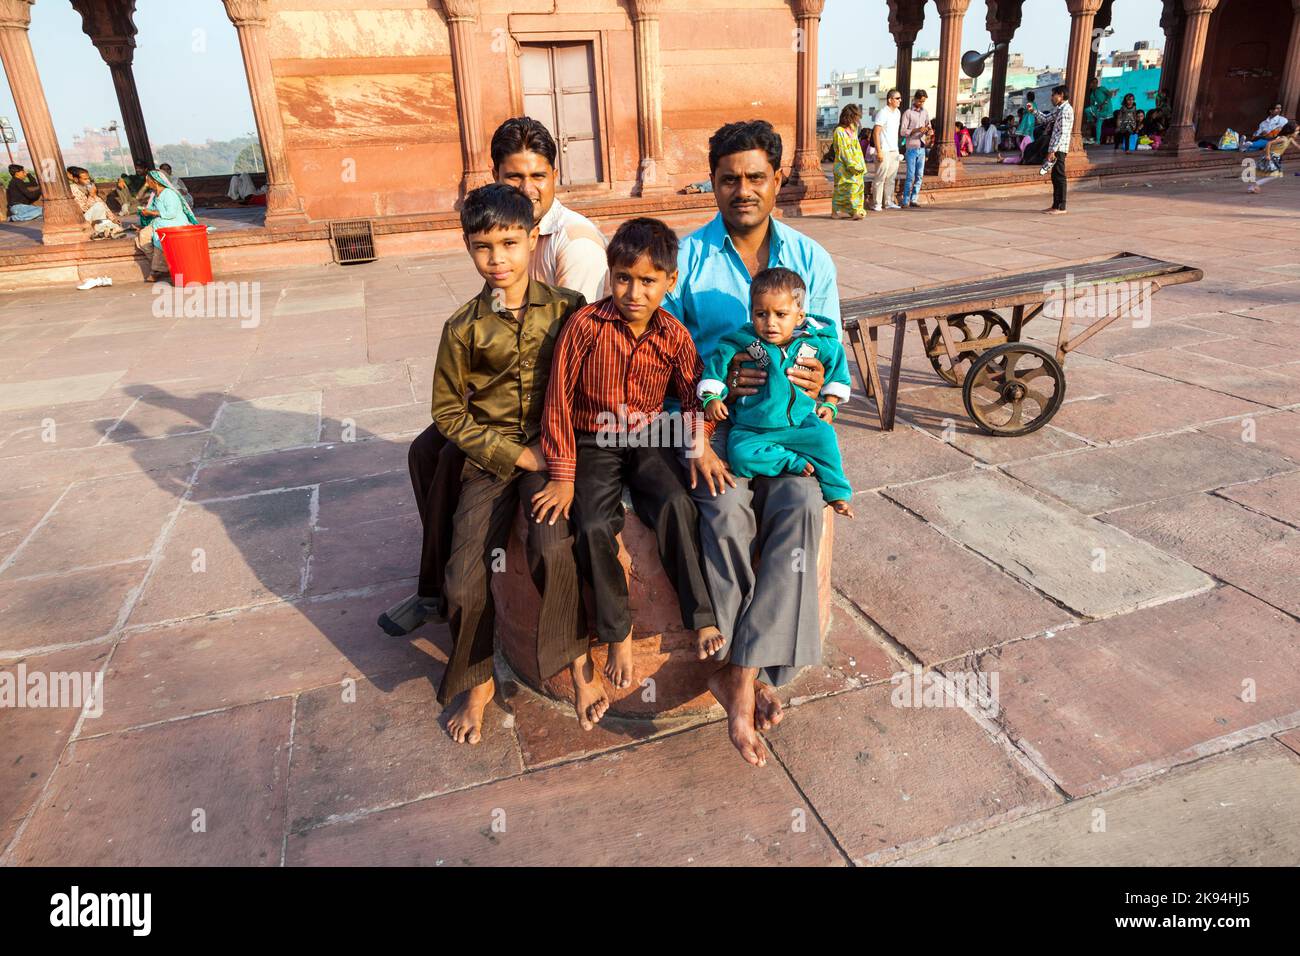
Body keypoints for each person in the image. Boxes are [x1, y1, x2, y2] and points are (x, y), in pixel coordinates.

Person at [379, 118, 610, 641]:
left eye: (538, 175)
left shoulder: (573, 244)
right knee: (426, 449)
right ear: (495, 178)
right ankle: (438, 587)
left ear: (555, 176)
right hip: (516, 381)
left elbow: (576, 350)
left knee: (451, 456)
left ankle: (445, 590)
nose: (527, 188)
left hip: (552, 402)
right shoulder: (502, 226)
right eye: (513, 177)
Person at [663, 119, 840, 767]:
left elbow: (830, 350)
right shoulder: (684, 263)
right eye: (729, 178)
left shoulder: (812, 261)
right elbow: (661, 361)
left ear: (777, 181)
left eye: (756, 178)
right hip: (720, 434)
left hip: (789, 432)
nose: (743, 190)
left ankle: (736, 675)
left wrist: (820, 377)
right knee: (727, 513)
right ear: (711, 183)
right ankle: (750, 674)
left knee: (799, 510)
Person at [432, 183, 603, 742]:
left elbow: (590, 375)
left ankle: (577, 664)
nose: (497, 259)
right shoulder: (462, 329)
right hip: (491, 458)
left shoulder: (567, 309)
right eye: (483, 247)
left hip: (554, 447)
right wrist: (512, 452)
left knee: (553, 546)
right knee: (461, 578)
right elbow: (447, 413)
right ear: (467, 248)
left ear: (533, 239)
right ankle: (477, 678)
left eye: (509, 243)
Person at [535, 218, 725, 688]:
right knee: (594, 523)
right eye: (623, 277)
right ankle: (616, 631)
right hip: (593, 439)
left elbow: (693, 393)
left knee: (678, 504)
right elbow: (557, 397)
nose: (633, 292)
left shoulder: (674, 336)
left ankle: (700, 615)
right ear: (609, 273)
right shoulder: (585, 325)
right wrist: (561, 473)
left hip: (646, 436)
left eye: (647, 281)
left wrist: (699, 439)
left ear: (669, 282)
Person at [698, 267, 853, 517]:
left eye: (781, 314)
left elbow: (837, 367)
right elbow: (717, 365)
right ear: (752, 313)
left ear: (799, 315)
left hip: (800, 425)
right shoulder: (742, 341)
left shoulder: (815, 343)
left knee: (825, 439)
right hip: (751, 427)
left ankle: (837, 492)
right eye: (761, 314)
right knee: (740, 457)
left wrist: (831, 402)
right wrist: (712, 396)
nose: (770, 322)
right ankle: (791, 461)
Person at [137, 168, 200, 280]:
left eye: (148, 181)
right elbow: (146, 204)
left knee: (159, 239)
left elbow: (171, 213)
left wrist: (151, 212)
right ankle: (163, 265)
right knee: (142, 236)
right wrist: (145, 212)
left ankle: (156, 270)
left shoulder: (169, 194)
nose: (146, 184)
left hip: (173, 222)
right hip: (159, 222)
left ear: (155, 181)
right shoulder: (155, 194)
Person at [830, 103, 866, 220]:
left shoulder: (853, 130)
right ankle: (836, 211)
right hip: (843, 165)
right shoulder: (839, 131)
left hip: (855, 164)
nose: (857, 119)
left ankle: (855, 210)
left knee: (856, 187)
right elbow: (843, 151)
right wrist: (852, 165)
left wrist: (861, 163)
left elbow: (857, 148)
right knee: (844, 188)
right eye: (856, 116)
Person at [67, 167, 125, 238]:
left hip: (94, 219)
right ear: (76, 179)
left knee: (115, 223)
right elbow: (84, 209)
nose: (88, 181)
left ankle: (107, 230)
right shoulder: (73, 189)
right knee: (98, 206)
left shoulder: (87, 188)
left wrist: (112, 218)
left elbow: (102, 204)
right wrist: (92, 196)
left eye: (88, 178)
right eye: (85, 179)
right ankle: (102, 231)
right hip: (83, 219)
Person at [899, 89, 932, 208]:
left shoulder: (925, 112)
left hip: (922, 147)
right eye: (920, 101)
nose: (922, 104)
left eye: (924, 102)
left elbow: (929, 126)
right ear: (915, 99)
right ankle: (905, 200)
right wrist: (917, 130)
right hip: (911, 147)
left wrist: (928, 130)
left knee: (919, 175)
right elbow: (902, 131)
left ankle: (914, 198)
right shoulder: (908, 113)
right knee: (910, 175)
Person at [872, 88, 903, 211]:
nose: (900, 100)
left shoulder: (898, 113)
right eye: (897, 98)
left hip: (894, 149)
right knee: (880, 178)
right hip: (883, 149)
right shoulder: (883, 112)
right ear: (890, 100)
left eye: (900, 98)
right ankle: (877, 203)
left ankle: (888, 202)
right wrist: (879, 150)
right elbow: (876, 132)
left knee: (891, 178)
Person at [1044, 85, 1073, 215]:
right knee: (1055, 176)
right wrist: (1033, 111)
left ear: (1060, 95)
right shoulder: (1059, 109)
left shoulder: (1066, 110)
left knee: (1060, 176)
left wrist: (1053, 150)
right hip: (1056, 148)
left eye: (1053, 95)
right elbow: (1045, 119)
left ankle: (1061, 206)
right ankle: (1055, 204)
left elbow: (1062, 133)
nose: (1051, 98)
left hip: (1059, 148)